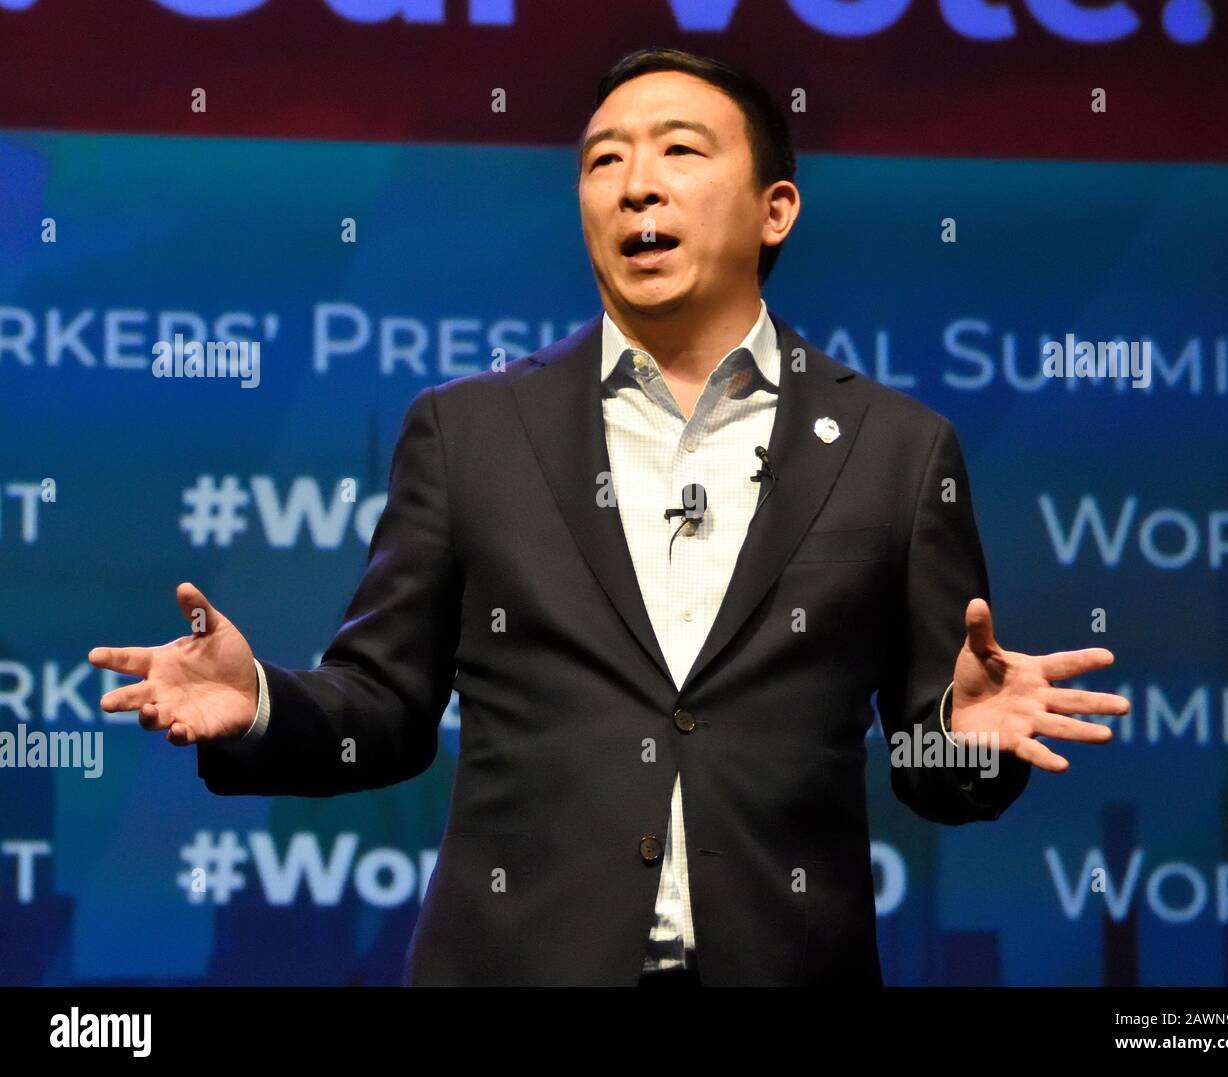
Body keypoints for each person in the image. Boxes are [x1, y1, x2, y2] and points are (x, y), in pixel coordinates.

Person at [89, 47, 1126, 986]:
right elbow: (386, 711)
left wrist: (965, 737)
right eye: (602, 162)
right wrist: (261, 702)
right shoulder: (470, 433)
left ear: (776, 210)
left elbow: (929, 772)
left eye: (679, 150)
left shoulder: (897, 452)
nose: (636, 184)